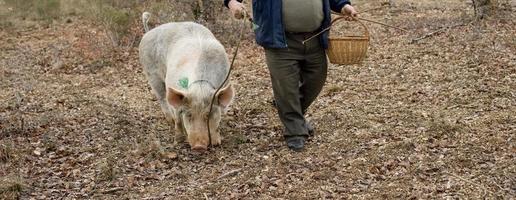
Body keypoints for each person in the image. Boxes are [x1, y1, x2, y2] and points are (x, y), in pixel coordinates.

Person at [224, 0, 358, 151]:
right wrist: (232, 3)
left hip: (315, 38)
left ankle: (292, 113)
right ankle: (295, 132)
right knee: (286, 88)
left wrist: (343, 6)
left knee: (317, 79)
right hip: (280, 40)